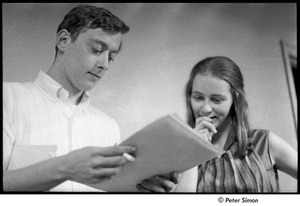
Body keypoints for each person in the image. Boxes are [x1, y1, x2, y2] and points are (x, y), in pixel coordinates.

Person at [3, 4, 136, 192]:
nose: (104, 64)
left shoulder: (109, 127)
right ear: (64, 40)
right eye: (97, 50)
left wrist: (140, 189)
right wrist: (64, 167)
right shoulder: (8, 99)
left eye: (111, 57)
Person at [137, 56, 297, 193]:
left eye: (217, 99)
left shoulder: (265, 142)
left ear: (235, 99)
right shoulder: (176, 152)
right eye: (198, 98)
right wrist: (194, 148)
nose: (205, 109)